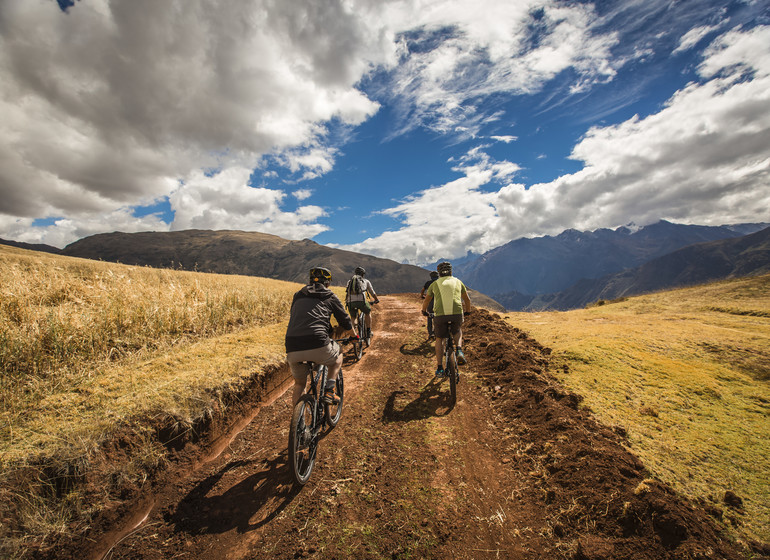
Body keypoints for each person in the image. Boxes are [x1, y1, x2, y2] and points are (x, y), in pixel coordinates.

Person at [285, 267, 356, 408]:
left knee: (299, 383)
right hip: (318, 341)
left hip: (292, 345)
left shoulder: (298, 295)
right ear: (328, 283)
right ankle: (330, 390)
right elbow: (345, 320)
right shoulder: (330, 296)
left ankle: (299, 423)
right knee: (338, 356)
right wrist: (354, 336)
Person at [421, 261, 471, 378]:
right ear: (451, 271)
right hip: (457, 313)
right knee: (457, 330)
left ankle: (439, 368)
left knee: (439, 338)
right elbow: (467, 300)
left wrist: (424, 311)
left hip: (440, 315)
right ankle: (459, 350)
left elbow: (427, 300)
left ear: (439, 273)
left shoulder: (435, 284)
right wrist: (467, 311)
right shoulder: (458, 282)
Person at [345, 266, 380, 339]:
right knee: (367, 312)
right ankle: (368, 331)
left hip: (351, 302)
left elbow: (347, 292)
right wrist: (376, 299)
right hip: (362, 302)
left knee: (353, 317)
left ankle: (352, 334)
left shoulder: (350, 281)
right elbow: (372, 292)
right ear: (363, 274)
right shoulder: (366, 281)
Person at [420, 270, 439, 339]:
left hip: (430, 302)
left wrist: (422, 296)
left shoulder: (428, 283)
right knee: (438, 316)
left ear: (431, 277)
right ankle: (437, 332)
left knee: (430, 316)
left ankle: (431, 333)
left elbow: (423, 290)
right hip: (439, 302)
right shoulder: (440, 282)